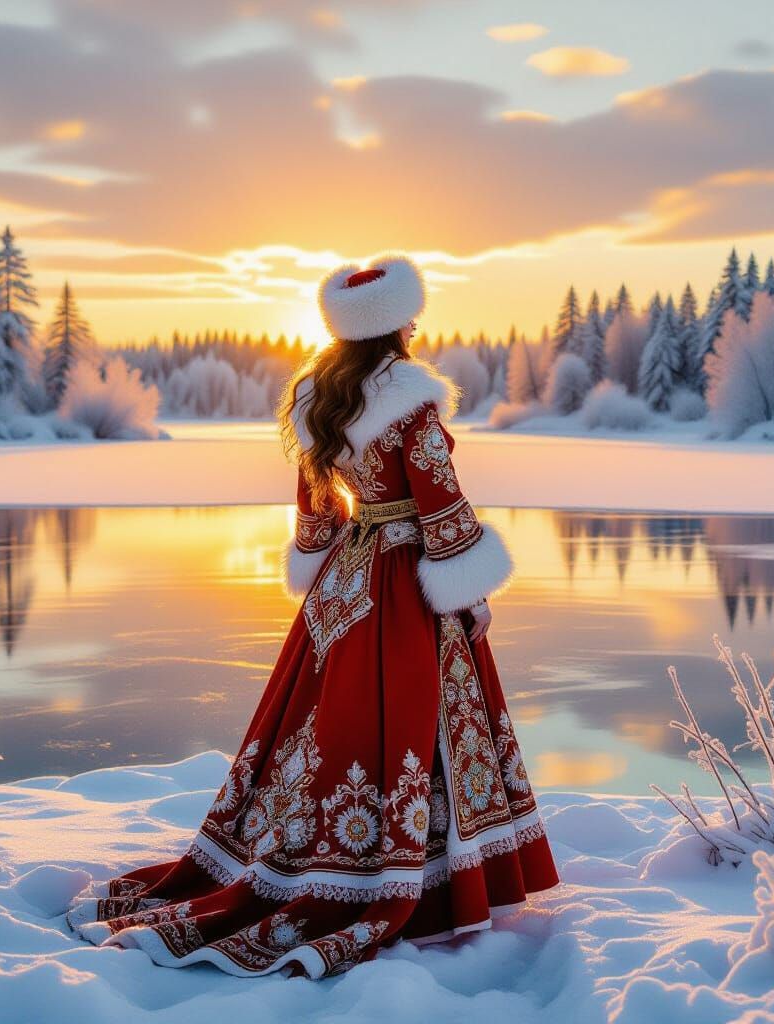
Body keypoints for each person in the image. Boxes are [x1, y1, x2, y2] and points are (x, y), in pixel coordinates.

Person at [66, 253, 559, 978]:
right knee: (415, 719)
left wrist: (326, 576)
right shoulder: (410, 401)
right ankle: (408, 883)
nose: (418, 322)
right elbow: (439, 500)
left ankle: (322, 852)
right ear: (392, 325)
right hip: (402, 581)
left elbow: (316, 514)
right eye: (410, 313)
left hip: (345, 586)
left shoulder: (315, 400)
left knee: (325, 722)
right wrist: (468, 587)